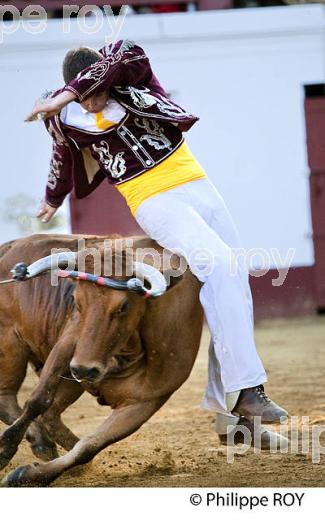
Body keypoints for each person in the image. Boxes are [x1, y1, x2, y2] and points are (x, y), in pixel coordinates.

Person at [26, 39, 288, 448]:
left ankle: (232, 418)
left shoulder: (132, 77)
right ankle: (247, 390)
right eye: (83, 96)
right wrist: (50, 199)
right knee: (221, 266)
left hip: (200, 188)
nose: (91, 103)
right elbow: (62, 160)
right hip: (152, 198)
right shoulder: (67, 119)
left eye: (94, 92)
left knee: (231, 278)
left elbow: (128, 52)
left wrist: (67, 93)